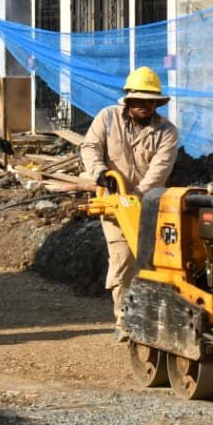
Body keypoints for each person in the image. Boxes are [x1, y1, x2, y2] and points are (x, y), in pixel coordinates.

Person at [80, 67, 179, 342]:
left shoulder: (167, 132)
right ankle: (125, 319)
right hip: (112, 206)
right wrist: (99, 172)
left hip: (150, 206)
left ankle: (158, 317)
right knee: (123, 260)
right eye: (140, 100)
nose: (145, 105)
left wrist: (136, 194)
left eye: (151, 101)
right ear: (128, 100)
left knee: (155, 262)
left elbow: (160, 169)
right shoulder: (107, 118)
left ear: (157, 103)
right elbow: (89, 147)